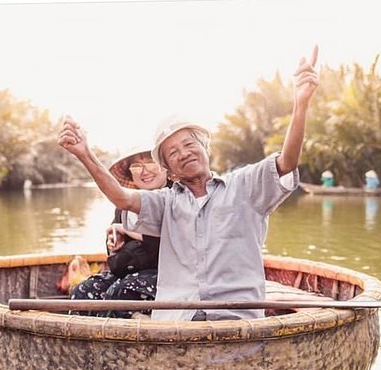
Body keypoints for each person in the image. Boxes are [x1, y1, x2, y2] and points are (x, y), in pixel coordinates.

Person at [58, 47, 319, 321]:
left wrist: (300, 104)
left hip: (235, 320)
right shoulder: (165, 202)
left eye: (189, 144)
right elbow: (123, 198)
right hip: (176, 322)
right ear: (169, 171)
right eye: (173, 152)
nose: (183, 153)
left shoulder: (244, 186)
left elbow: (287, 162)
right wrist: (85, 154)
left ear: (205, 147)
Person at [69, 150, 170, 319]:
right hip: (131, 273)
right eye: (136, 166)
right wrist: (114, 244)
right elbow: (116, 254)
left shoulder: (177, 196)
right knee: (84, 291)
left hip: (170, 276)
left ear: (166, 167)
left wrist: (129, 230)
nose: (144, 171)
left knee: (120, 293)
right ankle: (85, 343)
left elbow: (179, 238)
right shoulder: (124, 204)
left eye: (150, 162)